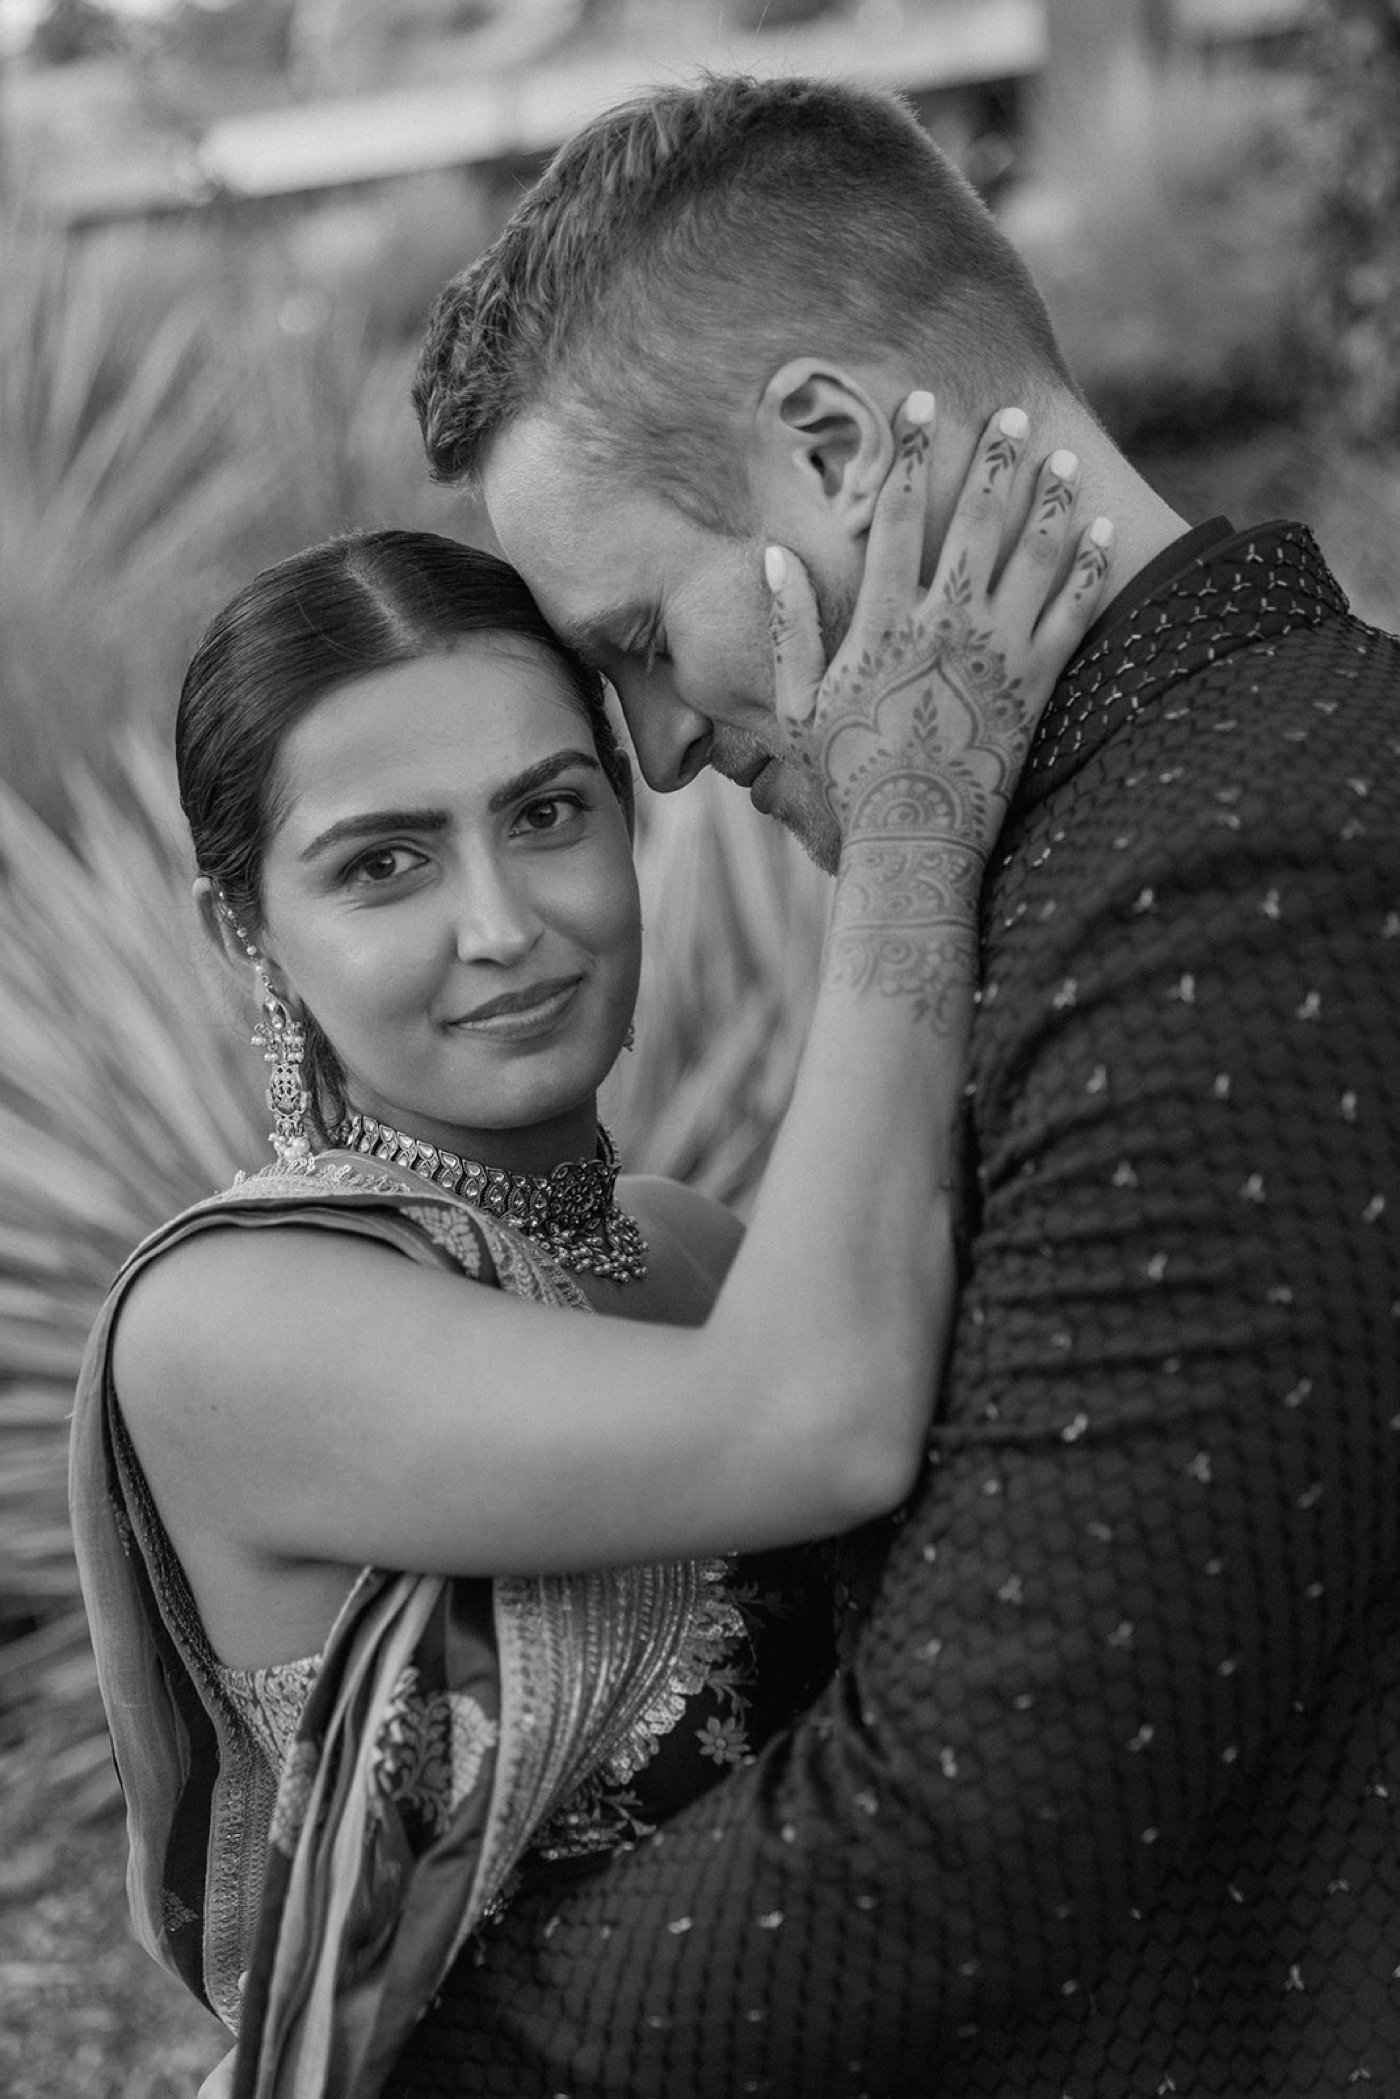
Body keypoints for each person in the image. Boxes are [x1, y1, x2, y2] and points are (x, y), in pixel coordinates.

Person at [405, 72, 1400, 2096]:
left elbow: (960, 1823)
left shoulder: (1241, 879)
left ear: (839, 451)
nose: (664, 752)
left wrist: (425, 2003)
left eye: (643, 637)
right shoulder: (1114, 844)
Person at [70, 444, 1109, 2099]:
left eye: (547, 815)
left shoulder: (691, 1248)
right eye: (383, 864)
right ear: (245, 931)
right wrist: (911, 818)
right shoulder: (228, 1326)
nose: (505, 925)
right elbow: (815, 1425)